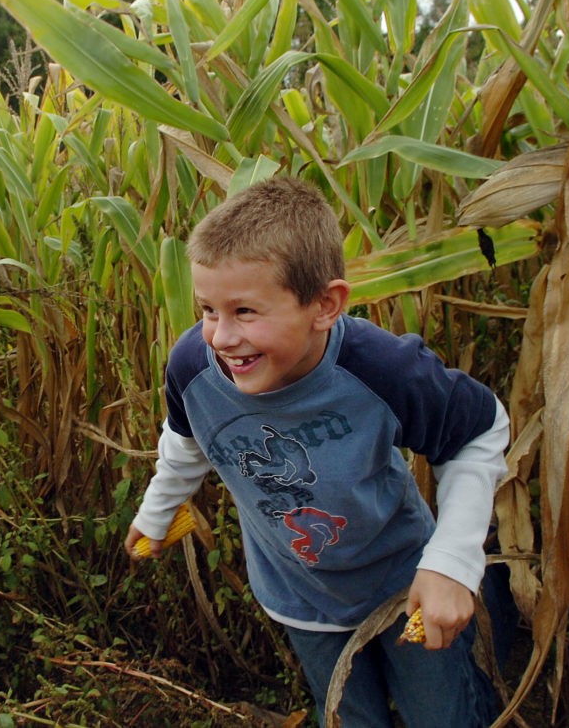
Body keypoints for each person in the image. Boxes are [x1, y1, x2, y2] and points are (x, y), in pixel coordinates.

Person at [124, 176, 510, 727]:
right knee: (349, 718)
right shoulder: (193, 368)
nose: (221, 337)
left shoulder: (381, 370)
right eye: (208, 309)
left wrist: (452, 561)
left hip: (406, 585)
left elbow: (479, 429)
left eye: (246, 312)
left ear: (325, 305)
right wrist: (158, 512)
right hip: (300, 596)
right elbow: (187, 442)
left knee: (443, 715)